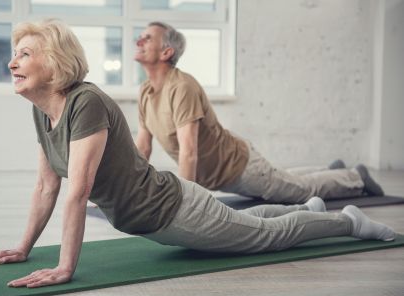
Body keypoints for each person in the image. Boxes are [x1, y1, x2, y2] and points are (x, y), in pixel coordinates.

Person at [0, 19, 395, 289]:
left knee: (267, 238)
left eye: (24, 53)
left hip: (173, 210)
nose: (11, 63)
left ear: (56, 59)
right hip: (164, 212)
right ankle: (312, 209)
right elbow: (47, 185)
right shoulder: (44, 114)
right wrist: (23, 247)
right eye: (13, 54)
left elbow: (77, 193)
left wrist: (65, 268)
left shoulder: (86, 102)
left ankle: (347, 221)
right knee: (244, 222)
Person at [134, 21, 384, 204]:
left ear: (167, 52)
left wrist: (184, 203)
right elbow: (143, 147)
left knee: (301, 191)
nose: (139, 41)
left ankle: (355, 177)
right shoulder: (147, 91)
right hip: (226, 171)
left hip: (239, 167)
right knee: (283, 178)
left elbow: (189, 152)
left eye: (147, 38)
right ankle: (331, 170)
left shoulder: (182, 87)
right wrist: (128, 187)